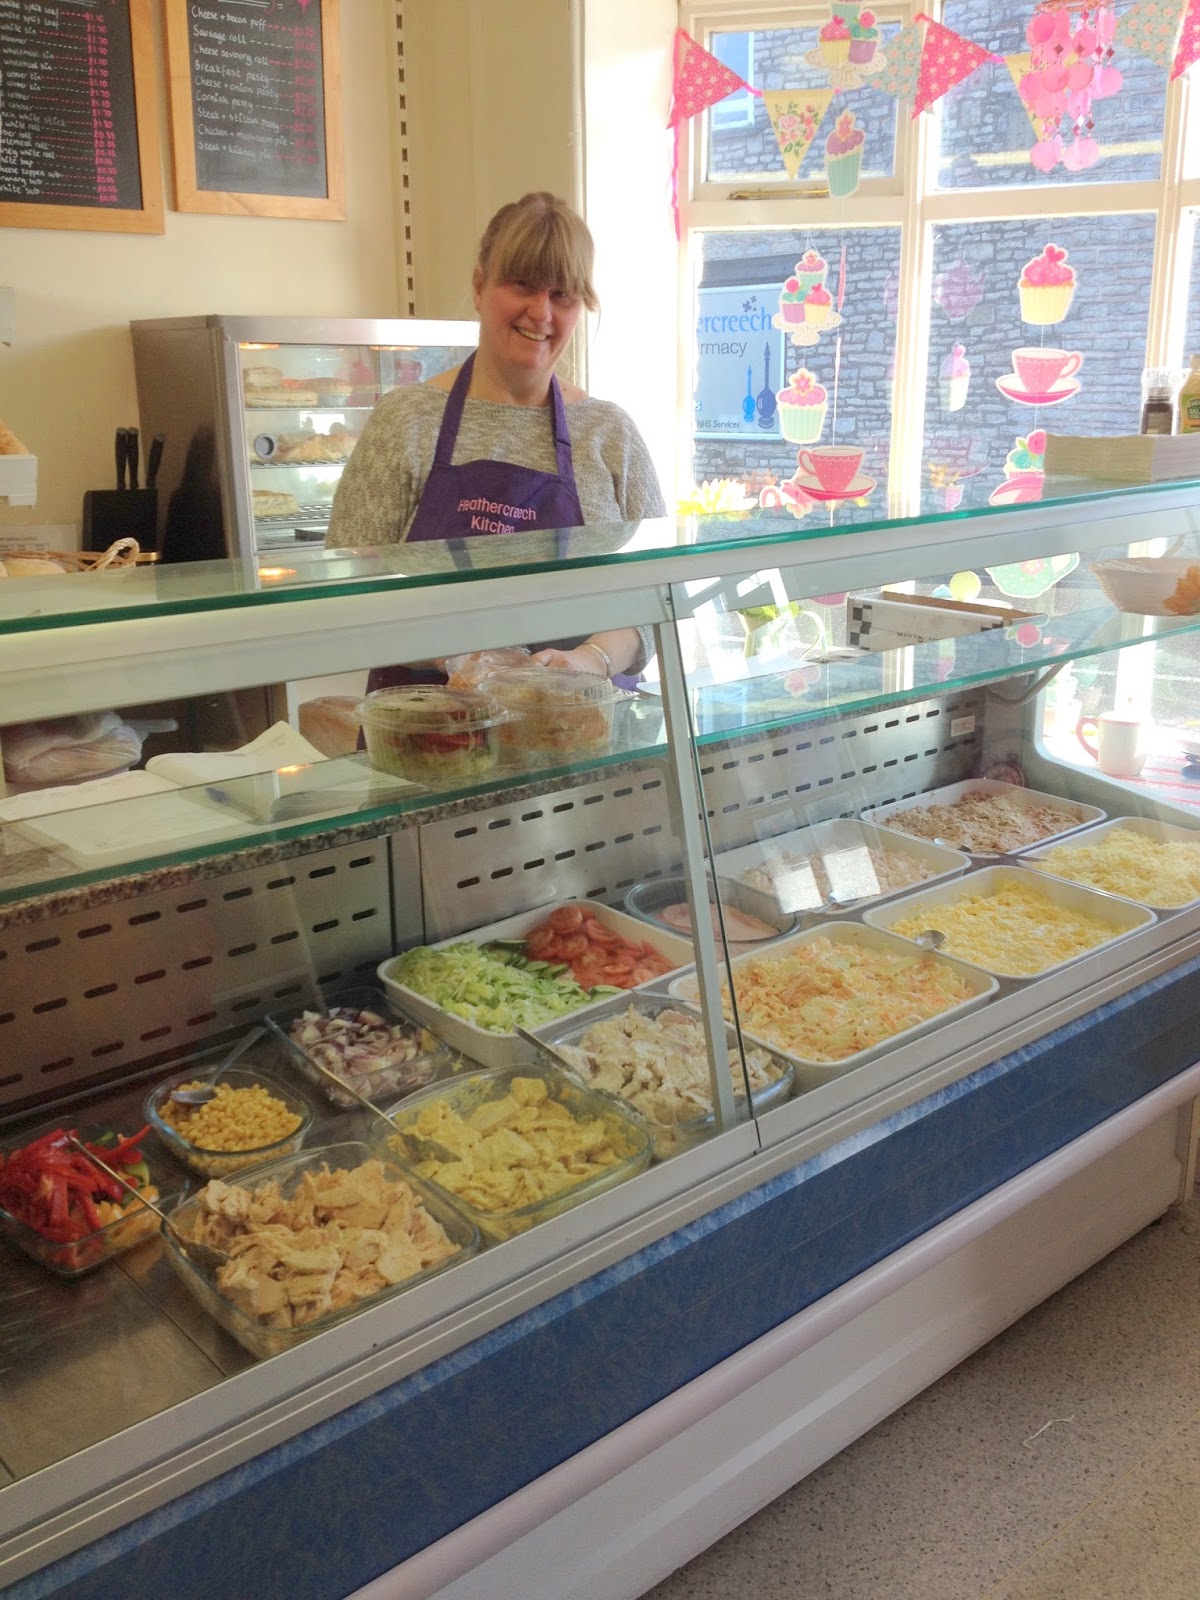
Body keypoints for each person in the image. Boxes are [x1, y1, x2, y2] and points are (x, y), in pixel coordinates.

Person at [326, 192, 666, 684]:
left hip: (576, 722)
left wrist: (591, 659)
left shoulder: (609, 433)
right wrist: (449, 654)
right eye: (522, 285)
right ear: (479, 287)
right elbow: (346, 592)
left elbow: (657, 598)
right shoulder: (407, 422)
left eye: (562, 295)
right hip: (427, 723)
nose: (541, 312)